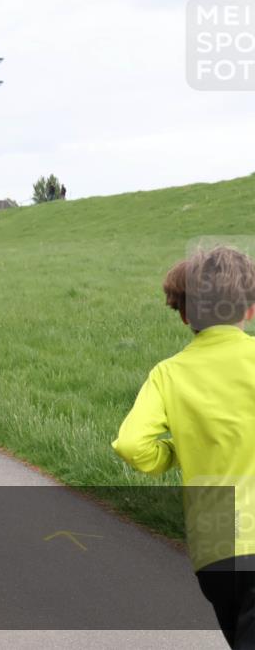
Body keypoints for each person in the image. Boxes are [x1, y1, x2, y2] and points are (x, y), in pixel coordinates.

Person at [112, 246, 255, 649]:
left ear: (186, 315)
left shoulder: (168, 374)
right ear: (250, 309)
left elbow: (131, 444)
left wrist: (175, 452)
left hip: (216, 549)